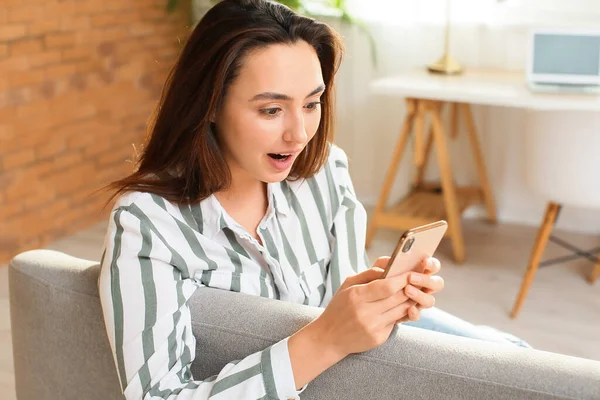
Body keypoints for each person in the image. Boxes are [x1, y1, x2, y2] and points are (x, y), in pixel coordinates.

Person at [98, 1, 529, 398]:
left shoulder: (324, 170)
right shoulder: (147, 221)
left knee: (520, 359)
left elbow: (343, 286)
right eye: (271, 110)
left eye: (312, 103)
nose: (299, 134)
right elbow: (157, 394)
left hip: (355, 362)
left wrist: (381, 296)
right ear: (208, 105)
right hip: (321, 376)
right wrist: (326, 338)